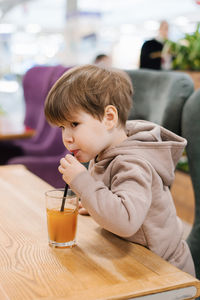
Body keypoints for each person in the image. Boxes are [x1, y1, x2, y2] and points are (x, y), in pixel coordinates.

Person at [44, 64, 195, 277]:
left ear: (109, 118)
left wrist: (82, 181)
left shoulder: (133, 163)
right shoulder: (103, 150)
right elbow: (120, 202)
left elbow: (125, 221)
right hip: (134, 261)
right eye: (62, 127)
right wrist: (97, 203)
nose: (66, 137)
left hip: (165, 273)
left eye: (74, 123)